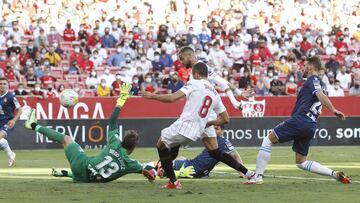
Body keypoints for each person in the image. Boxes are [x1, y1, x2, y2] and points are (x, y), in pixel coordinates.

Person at [140, 62, 254, 189]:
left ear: (196, 74)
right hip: (198, 130)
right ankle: (249, 173)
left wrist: (152, 96)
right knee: (215, 152)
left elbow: (172, 98)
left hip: (185, 125)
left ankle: (173, 181)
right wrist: (209, 123)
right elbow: (226, 119)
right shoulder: (215, 93)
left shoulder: (194, 83)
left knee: (160, 144)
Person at [245, 56, 351, 184]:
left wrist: (333, 110)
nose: (303, 68)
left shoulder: (313, 79)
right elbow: (318, 102)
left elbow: (320, 95)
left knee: (268, 140)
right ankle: (334, 174)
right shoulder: (322, 84)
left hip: (301, 120)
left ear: (311, 67)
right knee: (301, 162)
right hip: (311, 124)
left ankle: (258, 177)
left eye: (305, 65)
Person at [25, 84, 157, 183]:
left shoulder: (114, 142)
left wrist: (121, 100)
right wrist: (153, 173)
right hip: (86, 180)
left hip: (81, 166)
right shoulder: (131, 164)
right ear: (133, 148)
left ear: (122, 140)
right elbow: (148, 170)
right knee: (94, 169)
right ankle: (66, 173)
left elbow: (112, 121)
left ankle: (32, 125)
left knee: (66, 139)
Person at [157, 125, 244, 179]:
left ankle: (151, 167)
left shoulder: (222, 141)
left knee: (166, 163)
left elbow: (235, 155)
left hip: (193, 167)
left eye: (216, 129)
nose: (213, 131)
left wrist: (242, 171)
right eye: (213, 129)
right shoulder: (212, 141)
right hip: (201, 171)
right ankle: (156, 168)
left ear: (222, 131)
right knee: (181, 158)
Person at [0, 78, 22, 166]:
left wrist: (13, 120)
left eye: (4, 84)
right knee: (2, 142)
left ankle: (10, 154)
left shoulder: (11, 97)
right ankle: (10, 154)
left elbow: (20, 110)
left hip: (7, 122)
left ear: (8, 85)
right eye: (0, 83)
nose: (2, 85)